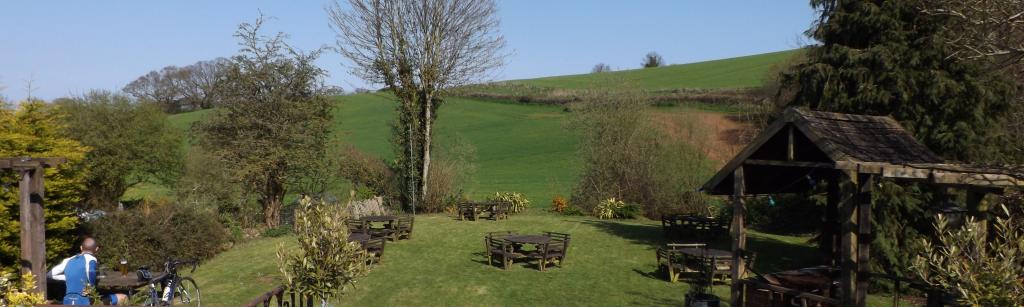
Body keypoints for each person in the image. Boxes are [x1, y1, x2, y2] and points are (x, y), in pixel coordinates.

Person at [49, 237, 128, 305]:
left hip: (67, 301)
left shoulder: (68, 260)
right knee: (123, 297)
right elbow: (90, 273)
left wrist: (68, 277)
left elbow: (50, 275)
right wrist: (90, 286)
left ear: (81, 248)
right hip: (84, 302)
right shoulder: (91, 259)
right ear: (96, 249)